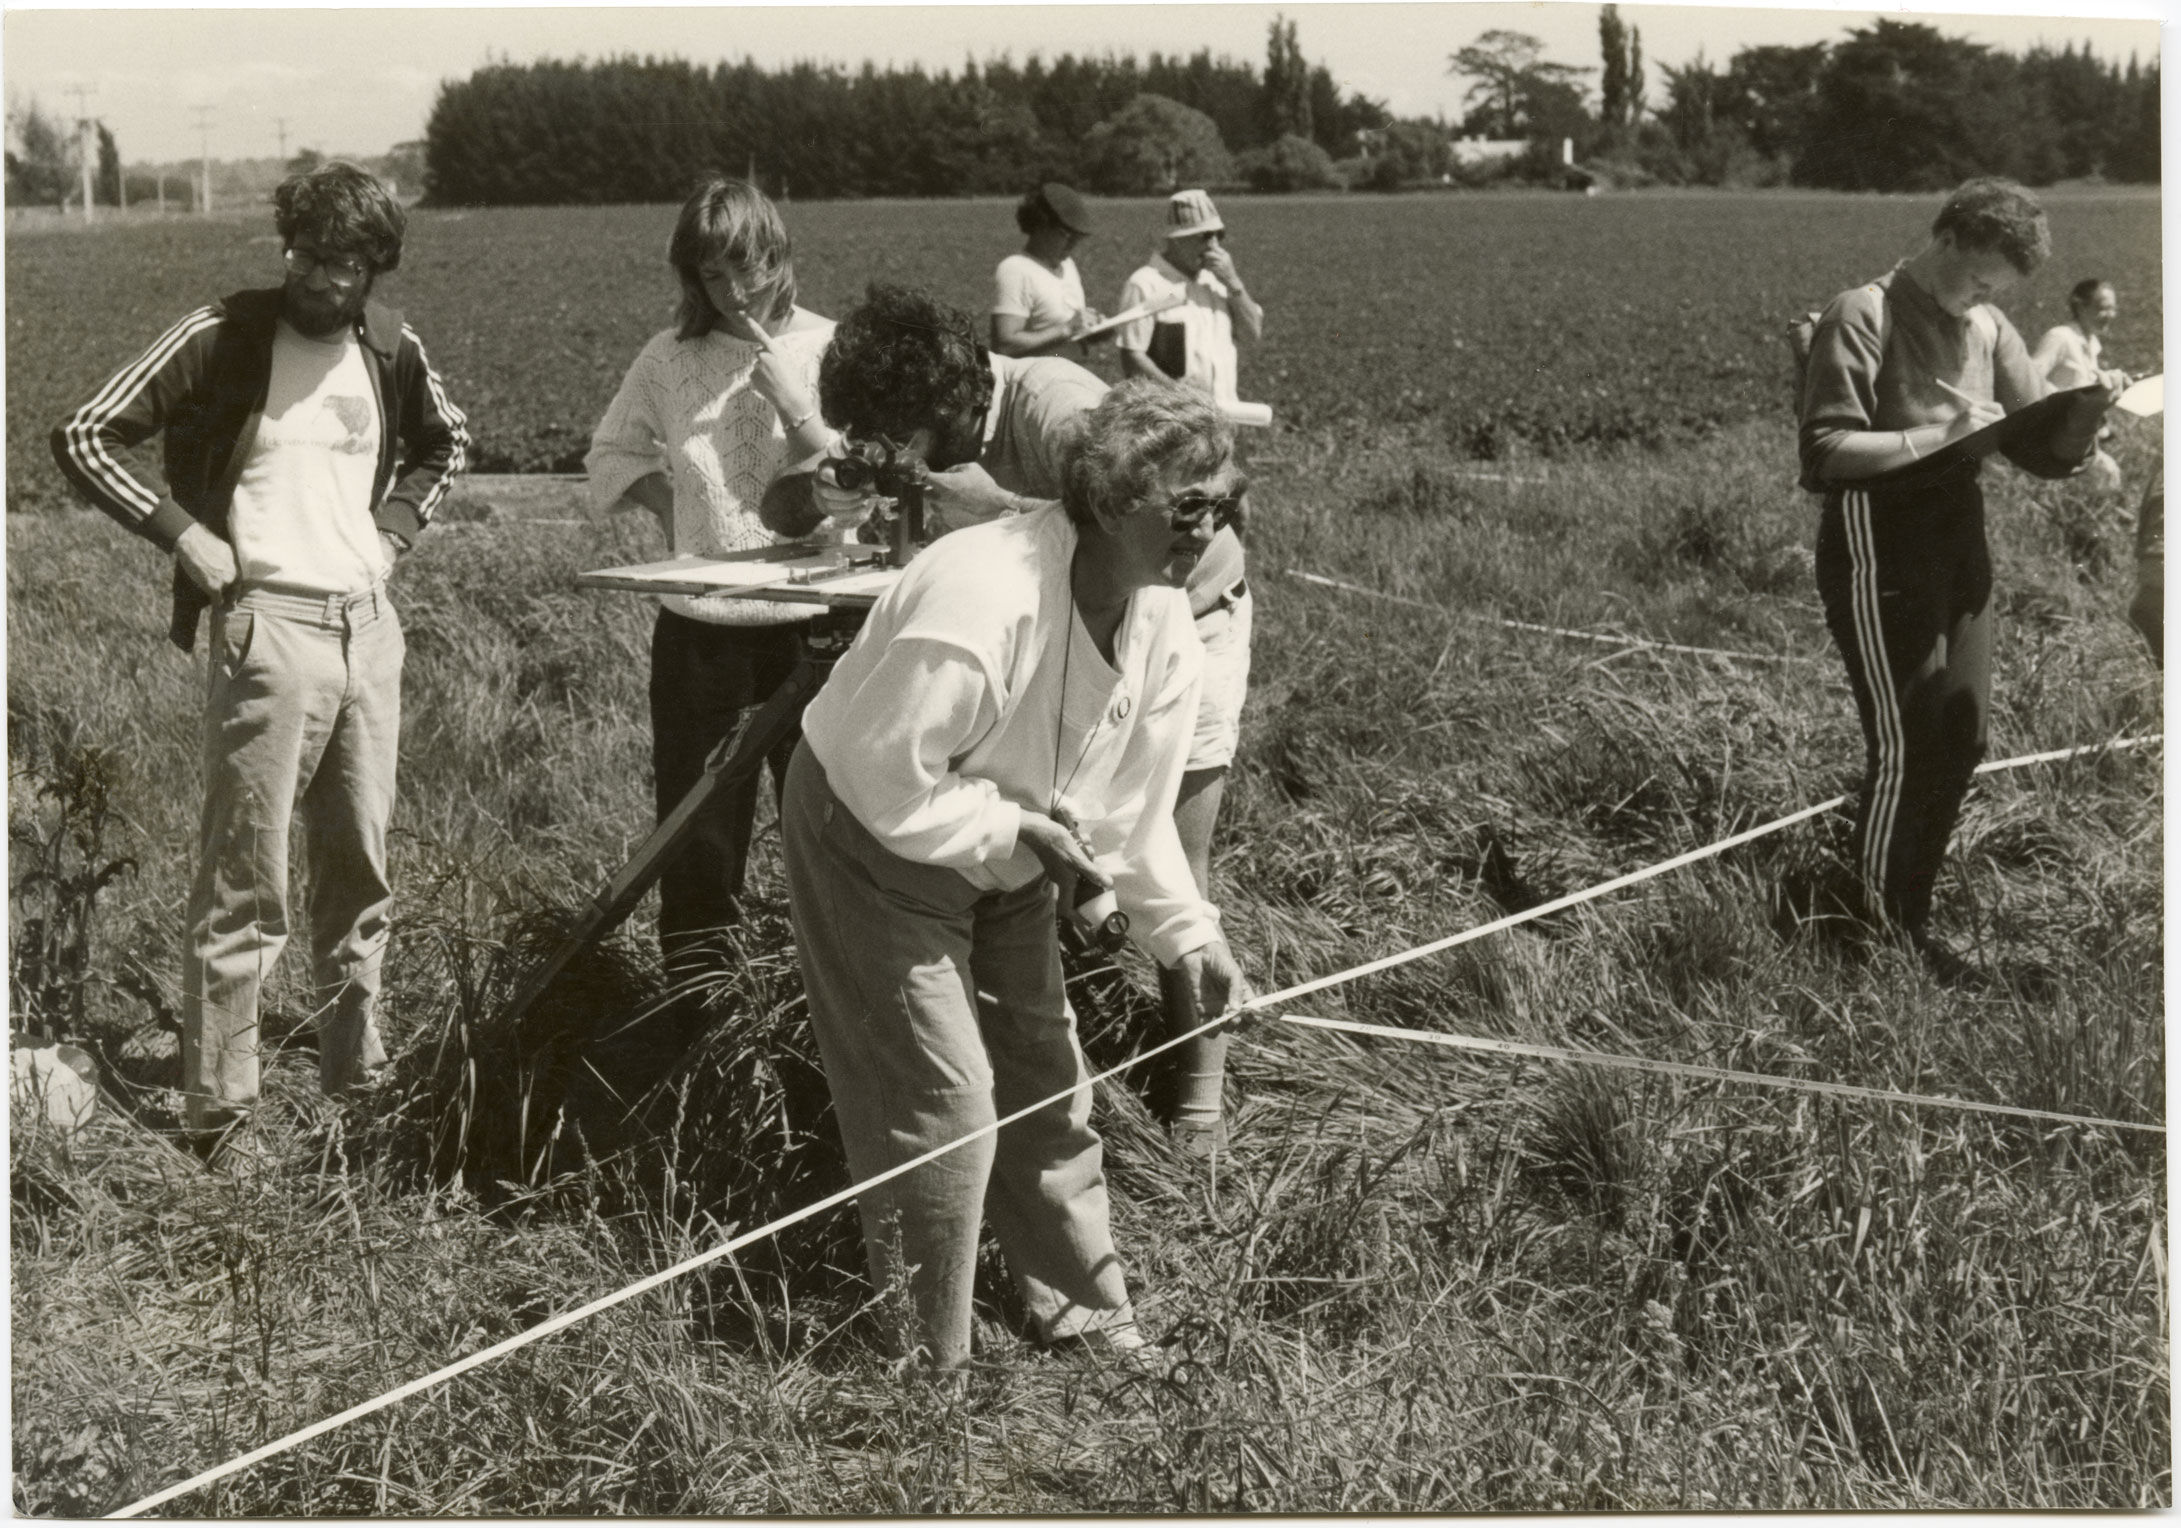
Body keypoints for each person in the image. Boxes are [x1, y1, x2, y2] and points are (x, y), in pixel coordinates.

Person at [779, 380, 1253, 1370]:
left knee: (1045, 1080)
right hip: (869, 835)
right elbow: (882, 776)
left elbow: (1130, 811)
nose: (1210, 532)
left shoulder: (1163, 620)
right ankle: (927, 1372)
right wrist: (1015, 826)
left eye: (1228, 505)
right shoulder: (985, 599)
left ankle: (1088, 1320)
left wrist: (1190, 939)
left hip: (1008, 843)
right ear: (1116, 503)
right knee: (943, 1105)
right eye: (1191, 508)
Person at [763, 283, 1247, 1152]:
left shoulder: (1057, 410)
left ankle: (1198, 1096)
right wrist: (828, 485)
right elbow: (787, 503)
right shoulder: (935, 447)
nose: (891, 458)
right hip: (1034, 670)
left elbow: (1193, 552)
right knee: (1046, 847)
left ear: (941, 406)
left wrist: (998, 517)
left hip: (1177, 627)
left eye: (897, 441)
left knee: (1160, 847)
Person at [49, 161, 468, 1143]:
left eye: (349, 262)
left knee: (359, 870)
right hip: (264, 628)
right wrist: (182, 533)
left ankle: (358, 1098)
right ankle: (222, 1116)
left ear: (376, 266)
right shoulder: (224, 333)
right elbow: (84, 434)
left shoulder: (390, 343)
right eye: (312, 255)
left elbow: (446, 440)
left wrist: (395, 533)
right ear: (288, 248)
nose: (325, 279)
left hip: (368, 631)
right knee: (247, 885)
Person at [1798, 177, 2112, 979]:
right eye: (1976, 280)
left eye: (1996, 292)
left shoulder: (1989, 324)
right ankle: (1868, 935)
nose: (1980, 300)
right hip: (1878, 539)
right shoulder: (1861, 313)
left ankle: (1906, 915)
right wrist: (1943, 433)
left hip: (1957, 542)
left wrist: (2084, 413)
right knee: (1907, 742)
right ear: (1945, 239)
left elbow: (2035, 445)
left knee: (1961, 734)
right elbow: (1826, 452)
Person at [584, 178, 836, 982]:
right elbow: (611, 454)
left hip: (819, 629)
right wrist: (674, 507)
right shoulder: (669, 357)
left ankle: (825, 1002)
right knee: (697, 841)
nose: (733, 293)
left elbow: (868, 476)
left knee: (833, 831)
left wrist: (799, 411)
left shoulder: (831, 348)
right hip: (701, 630)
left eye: (747, 269)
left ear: (779, 254)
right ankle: (696, 1008)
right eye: (710, 277)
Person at [1113, 189, 1261, 1143]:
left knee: (1186, 843)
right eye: (1195, 237)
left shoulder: (1211, 288)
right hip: (1165, 475)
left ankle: (1195, 1095)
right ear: (1170, 236)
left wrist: (1235, 283)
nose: (1205, 247)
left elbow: (1254, 333)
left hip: (1213, 480)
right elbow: (1133, 373)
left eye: (1213, 235)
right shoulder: (1143, 286)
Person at [988, 182, 1104, 359]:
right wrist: (1066, 329)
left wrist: (1095, 329)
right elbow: (1005, 346)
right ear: (1041, 226)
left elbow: (1065, 333)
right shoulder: (1015, 270)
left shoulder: (1068, 266)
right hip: (1036, 382)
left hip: (1071, 376)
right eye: (1066, 235)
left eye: (1078, 237)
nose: (1072, 245)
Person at [2031, 279, 2127, 491]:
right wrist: (2065, 399)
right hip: (2053, 438)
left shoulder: (2092, 345)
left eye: (2113, 309)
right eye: (2102, 308)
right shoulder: (2060, 337)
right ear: (2079, 305)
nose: (2109, 315)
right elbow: (2030, 378)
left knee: (2111, 480)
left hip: (2079, 437)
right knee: (2107, 481)